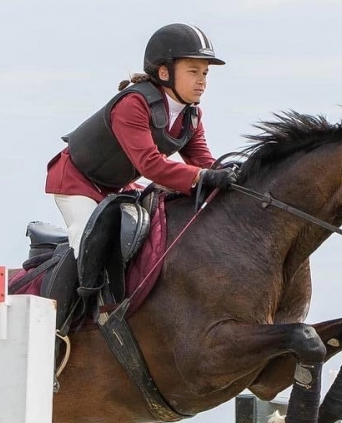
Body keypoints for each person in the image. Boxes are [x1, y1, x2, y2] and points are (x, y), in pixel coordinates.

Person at [44, 23, 236, 285]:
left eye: (205, 73)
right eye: (193, 71)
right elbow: (151, 165)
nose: (202, 80)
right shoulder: (133, 104)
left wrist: (235, 175)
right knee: (93, 245)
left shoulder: (191, 116)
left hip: (117, 186)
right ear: (164, 72)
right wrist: (205, 176)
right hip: (77, 181)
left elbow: (204, 163)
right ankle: (66, 319)